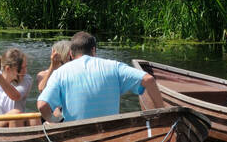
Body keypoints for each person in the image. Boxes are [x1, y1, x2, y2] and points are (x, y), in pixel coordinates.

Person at [37, 31, 165, 122]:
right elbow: (148, 79)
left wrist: (56, 120)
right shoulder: (114, 66)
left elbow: (42, 105)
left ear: (71, 53)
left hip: (76, 135)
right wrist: (163, 115)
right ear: (94, 50)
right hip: (109, 134)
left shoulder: (60, 72)